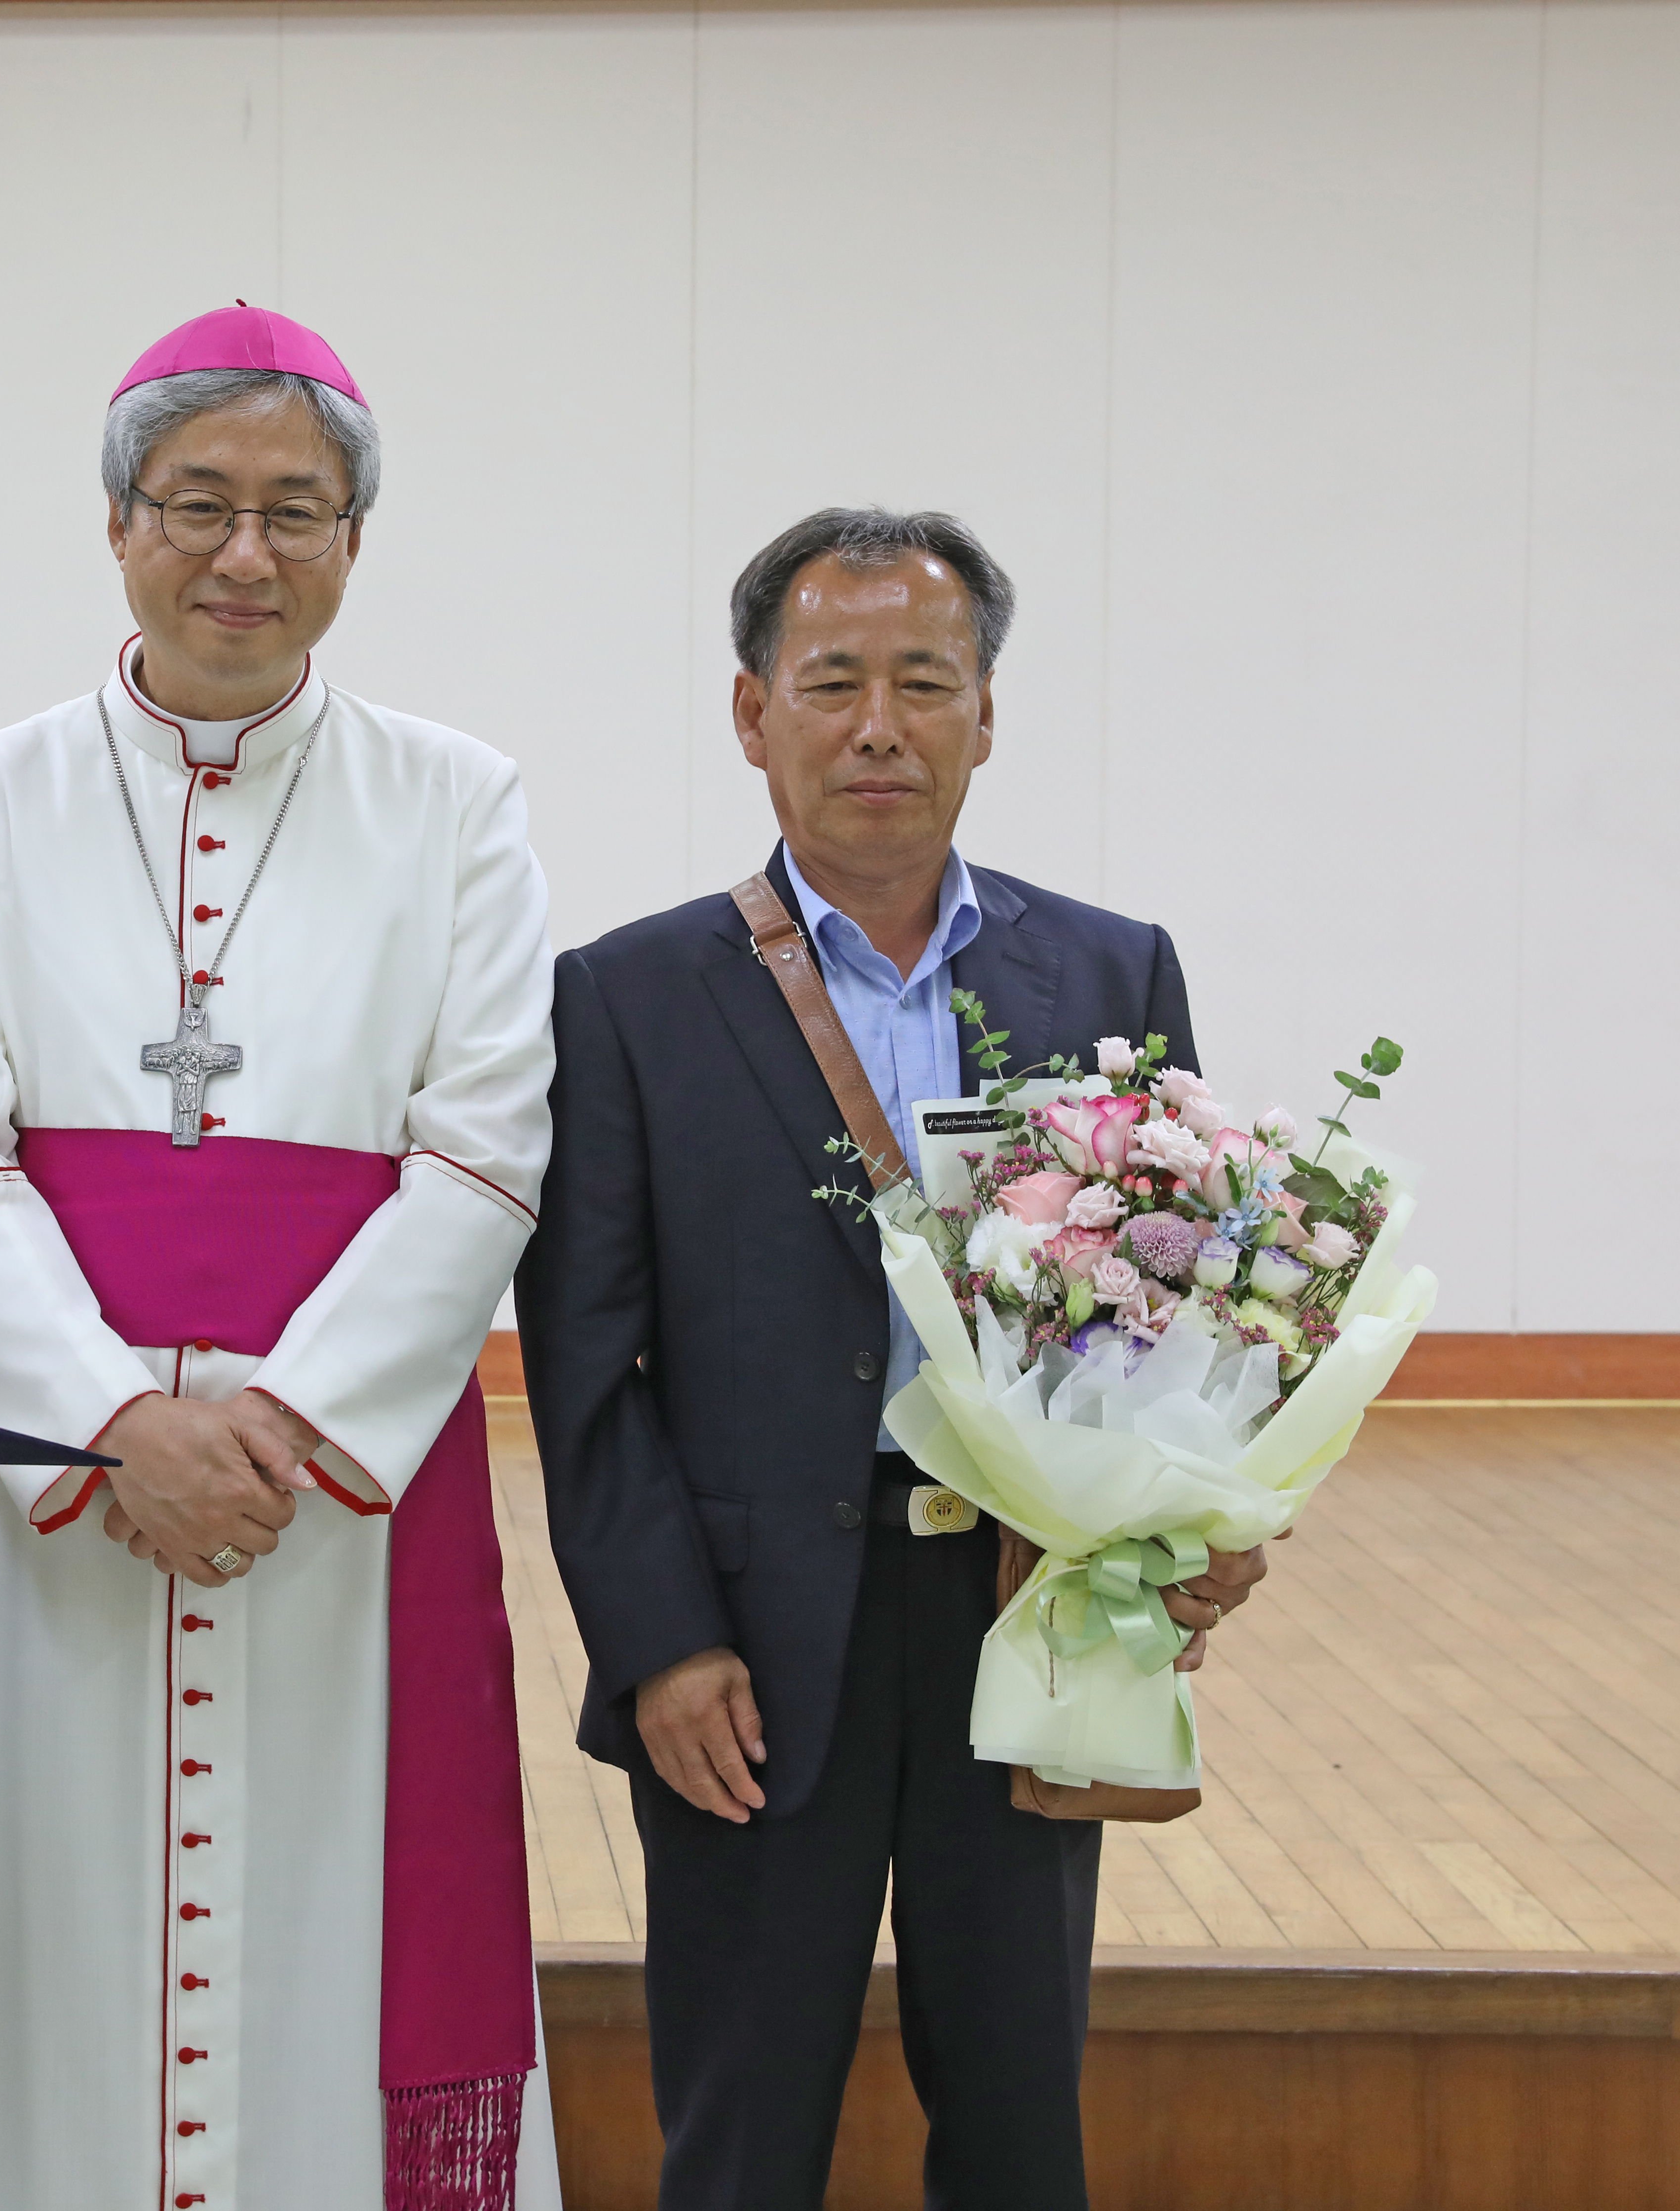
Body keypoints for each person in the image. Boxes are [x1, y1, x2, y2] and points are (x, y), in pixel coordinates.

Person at [0, 305, 562, 2211]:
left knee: (334, 1945)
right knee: (51, 1955)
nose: (243, 554)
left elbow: (485, 1151)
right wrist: (116, 1424)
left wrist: (277, 1428)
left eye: (295, 510)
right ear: (118, 522)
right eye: (198, 503)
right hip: (66, 1496)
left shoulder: (457, 802)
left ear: (354, 541)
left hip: (331, 1498)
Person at [517, 509, 1276, 2209]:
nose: (880, 727)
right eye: (833, 681)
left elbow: (1184, 1301)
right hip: (750, 1642)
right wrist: (661, 1643)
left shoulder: (1110, 970)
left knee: (1017, 2119)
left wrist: (1195, 1524)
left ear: (986, 713)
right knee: (741, 2127)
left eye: (925, 682)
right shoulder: (627, 996)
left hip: (1023, 1608)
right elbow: (585, 1369)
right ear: (753, 712)